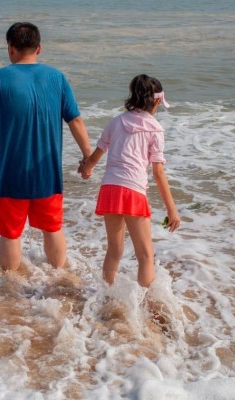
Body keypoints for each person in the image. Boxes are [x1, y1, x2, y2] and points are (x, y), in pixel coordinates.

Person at [0, 22, 92, 272]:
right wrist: (88, 156)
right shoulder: (57, 78)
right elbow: (75, 119)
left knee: (11, 234)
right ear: (39, 48)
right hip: (47, 170)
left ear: (10, 48)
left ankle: (9, 286)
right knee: (52, 228)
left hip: (11, 173)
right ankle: (59, 277)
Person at [78, 74, 180, 287]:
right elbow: (158, 172)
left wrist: (86, 169)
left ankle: (106, 295)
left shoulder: (117, 122)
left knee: (114, 251)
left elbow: (97, 154)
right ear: (158, 101)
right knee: (145, 255)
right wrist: (172, 210)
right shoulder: (155, 129)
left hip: (110, 188)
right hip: (133, 191)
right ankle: (145, 304)